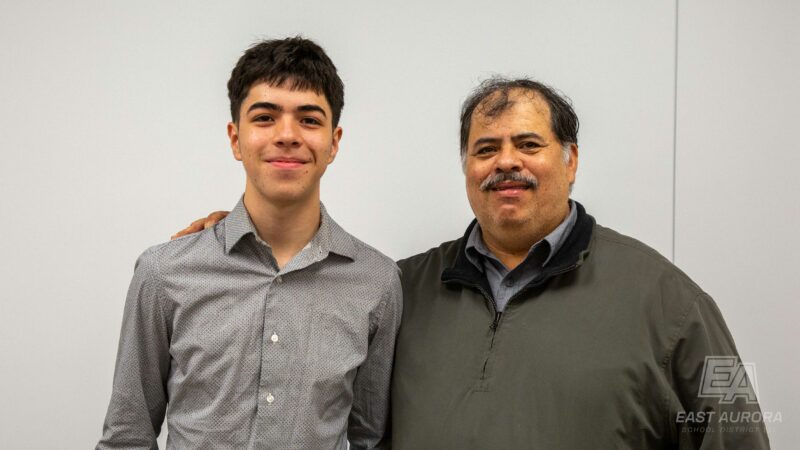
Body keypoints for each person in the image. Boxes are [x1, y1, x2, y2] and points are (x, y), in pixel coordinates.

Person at [176, 78, 769, 449]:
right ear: (466, 167)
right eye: (486, 149)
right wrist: (235, 242)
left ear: (572, 160)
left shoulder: (670, 299)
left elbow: (738, 435)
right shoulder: (397, 288)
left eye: (529, 145)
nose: (505, 163)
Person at [98, 37, 401, 450]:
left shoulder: (377, 283)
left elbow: (372, 439)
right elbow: (127, 437)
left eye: (310, 120)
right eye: (264, 117)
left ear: (334, 142)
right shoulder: (164, 273)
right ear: (236, 139)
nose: (287, 135)